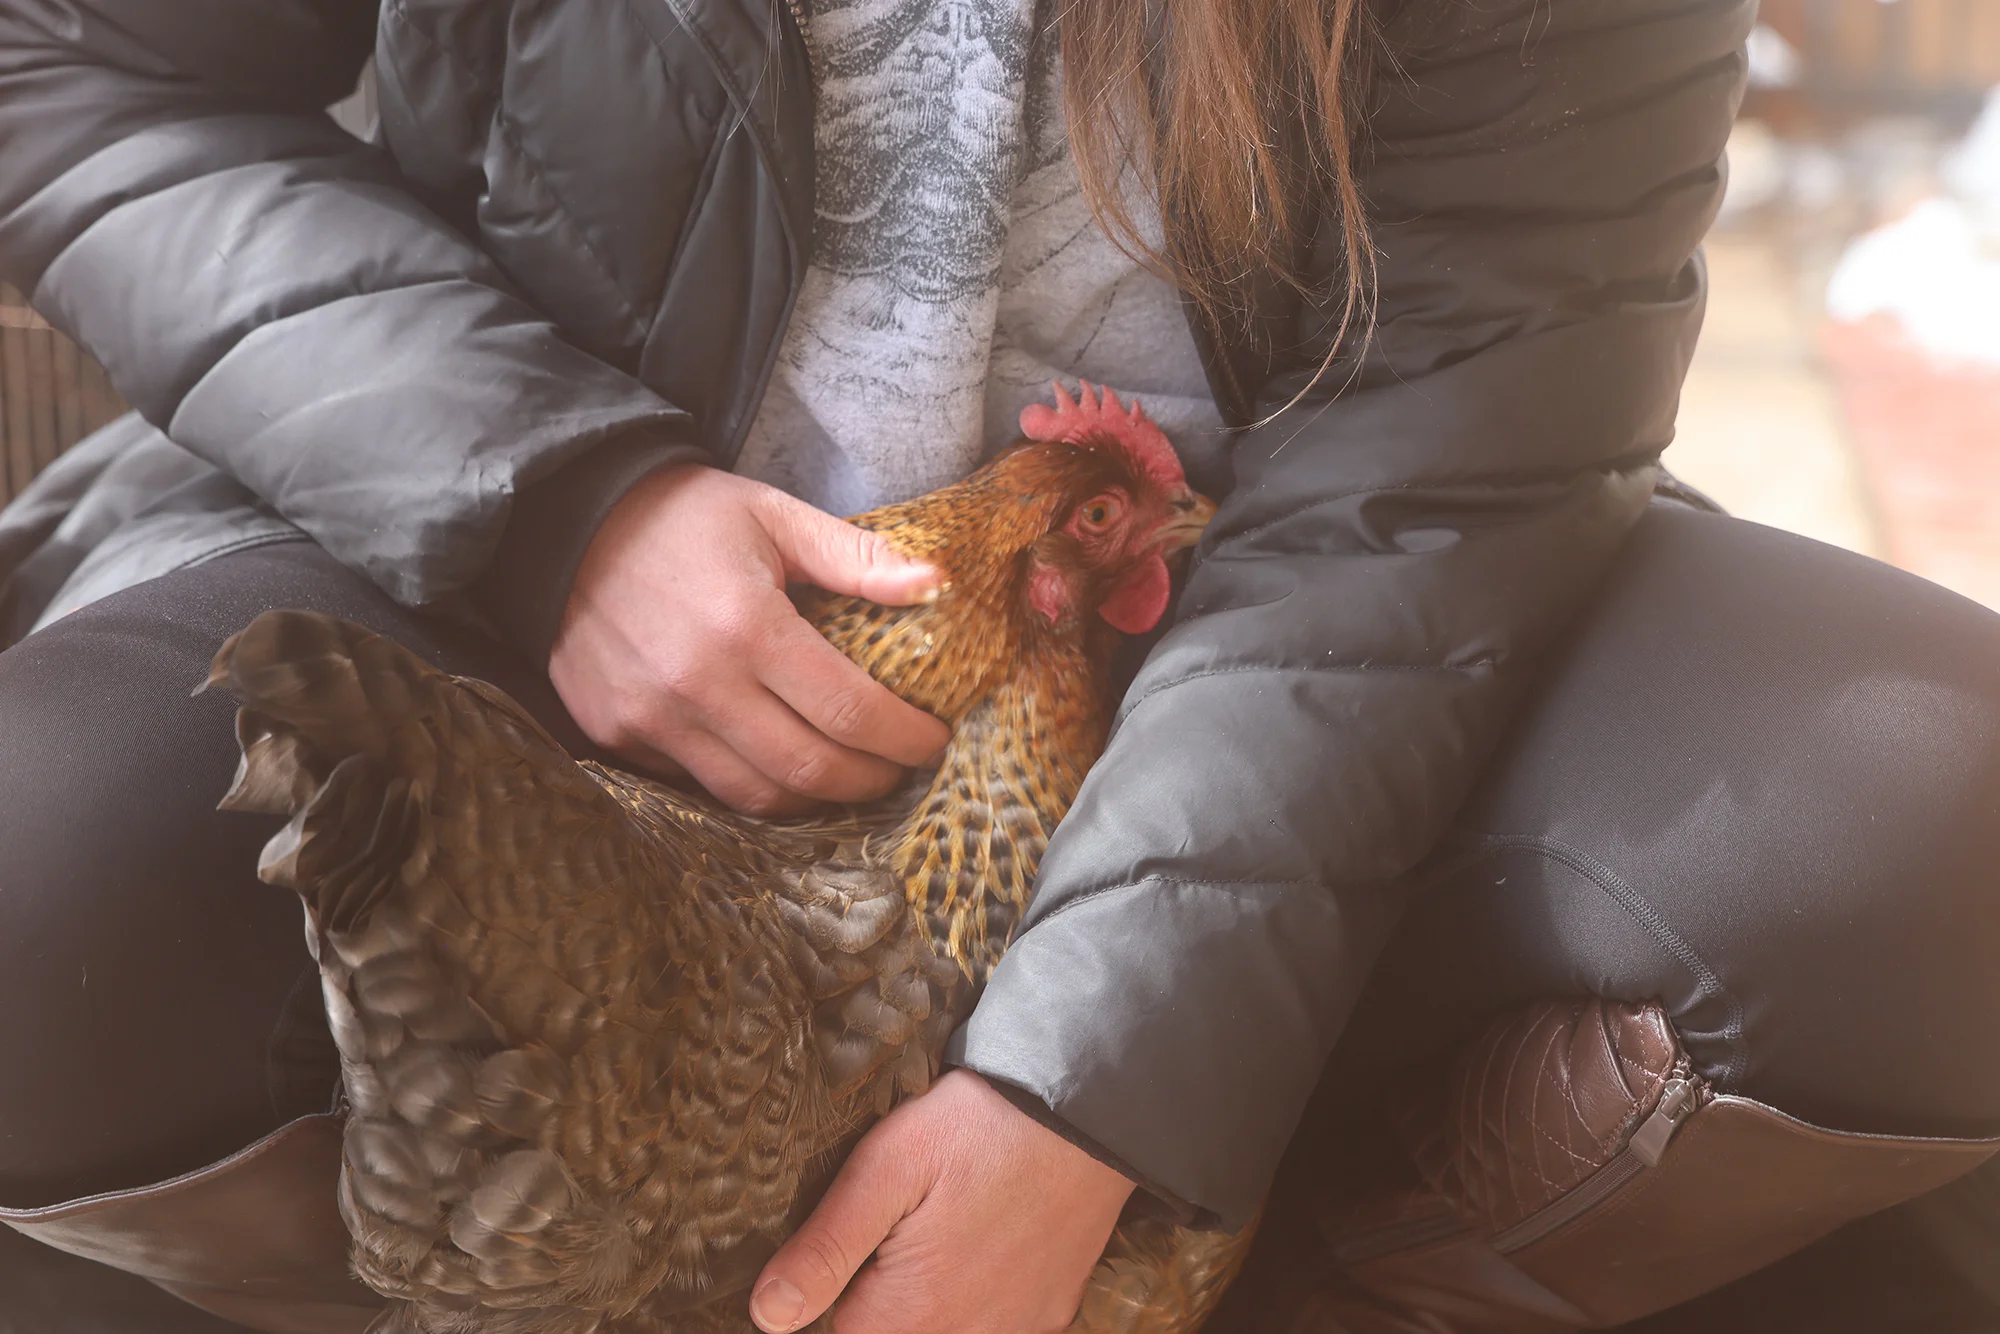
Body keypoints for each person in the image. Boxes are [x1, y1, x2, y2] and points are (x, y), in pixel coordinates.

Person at [2, 0, 1999, 1330]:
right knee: (39, 883)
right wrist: (554, 504)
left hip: (1247, 632)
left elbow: (1457, 437)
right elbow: (75, 71)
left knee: (1915, 810)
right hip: (498, 562)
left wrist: (1094, 1097)